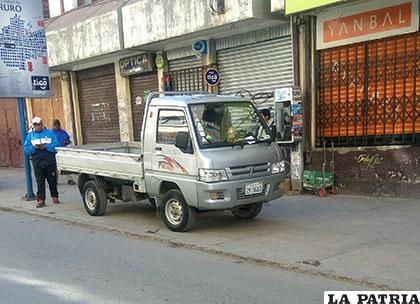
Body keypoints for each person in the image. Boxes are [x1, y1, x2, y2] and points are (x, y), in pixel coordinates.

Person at [24, 117, 60, 208]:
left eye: (39, 124)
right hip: (37, 162)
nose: (37, 126)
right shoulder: (30, 136)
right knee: (40, 182)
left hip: (49, 161)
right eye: (35, 125)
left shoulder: (49, 133)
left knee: (52, 180)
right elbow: (27, 148)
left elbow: (56, 144)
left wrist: (46, 146)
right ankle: (41, 200)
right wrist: (34, 148)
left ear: (42, 124)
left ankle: (55, 196)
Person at [52, 119, 75, 185]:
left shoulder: (63, 132)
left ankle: (70, 180)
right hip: (54, 152)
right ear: (53, 126)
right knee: (54, 167)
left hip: (62, 152)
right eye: (56, 125)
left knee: (65, 166)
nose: (57, 127)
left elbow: (68, 141)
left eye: (58, 125)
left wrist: (66, 142)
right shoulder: (50, 133)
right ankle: (54, 181)